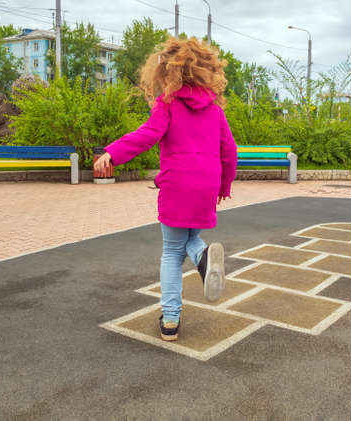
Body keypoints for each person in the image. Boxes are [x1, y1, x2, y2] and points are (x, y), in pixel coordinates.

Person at [94, 37, 237, 341]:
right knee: (191, 238)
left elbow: (147, 135)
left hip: (177, 182)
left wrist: (113, 154)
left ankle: (170, 320)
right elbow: (230, 150)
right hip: (206, 183)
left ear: (168, 72)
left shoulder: (168, 104)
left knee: (172, 250)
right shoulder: (215, 110)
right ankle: (202, 257)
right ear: (203, 70)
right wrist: (223, 185)